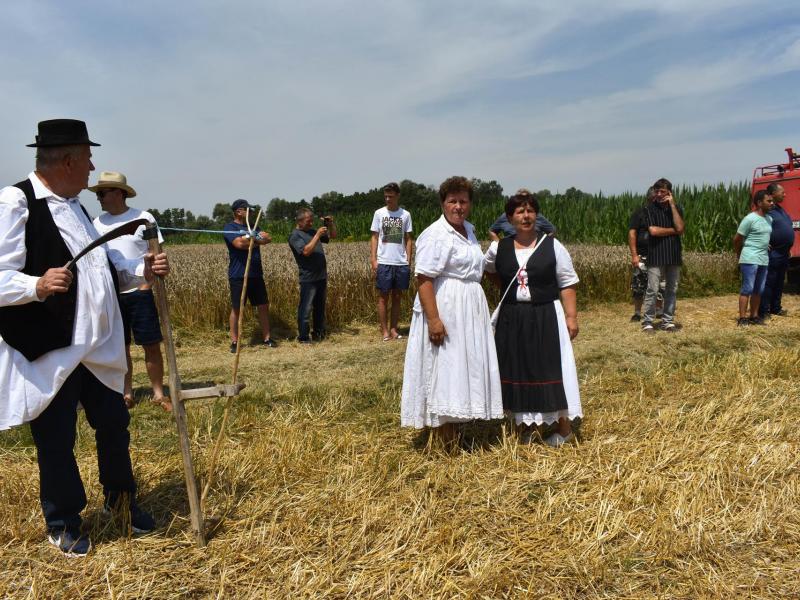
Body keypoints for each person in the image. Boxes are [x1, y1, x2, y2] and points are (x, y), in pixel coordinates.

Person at [0, 119, 170, 556]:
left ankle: (123, 504)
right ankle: (64, 522)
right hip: (51, 346)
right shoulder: (16, 201)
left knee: (114, 425)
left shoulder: (76, 207)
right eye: (88, 157)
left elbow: (99, 271)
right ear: (69, 160)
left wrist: (142, 273)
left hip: (97, 347)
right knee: (56, 437)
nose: (93, 167)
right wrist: (34, 286)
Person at [400, 176, 503, 446]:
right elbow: (423, 279)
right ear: (443, 203)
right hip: (446, 306)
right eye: (452, 201)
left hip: (469, 307)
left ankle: (456, 429)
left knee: (460, 366)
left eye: (463, 201)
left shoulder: (468, 231)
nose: (458, 206)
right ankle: (442, 436)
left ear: (470, 204)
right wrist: (434, 319)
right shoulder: (435, 234)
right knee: (444, 367)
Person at [485, 193, 582, 447]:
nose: (525, 216)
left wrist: (571, 317)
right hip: (513, 317)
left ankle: (564, 428)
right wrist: (510, 286)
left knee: (550, 368)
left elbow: (568, 281)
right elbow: (489, 270)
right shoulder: (499, 248)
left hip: (545, 314)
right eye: (519, 212)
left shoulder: (552, 245)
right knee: (519, 368)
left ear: (536, 216)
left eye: (530, 211)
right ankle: (528, 427)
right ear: (509, 218)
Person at [90, 171, 169, 411]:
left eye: (103, 193)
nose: (99, 198)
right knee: (119, 347)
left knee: (151, 344)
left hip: (140, 291)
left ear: (119, 193)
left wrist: (148, 284)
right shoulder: (97, 223)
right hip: (112, 295)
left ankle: (158, 392)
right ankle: (127, 393)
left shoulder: (143, 218)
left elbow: (157, 252)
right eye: (99, 194)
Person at [223, 199, 277, 353]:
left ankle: (267, 338)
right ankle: (234, 341)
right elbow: (238, 244)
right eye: (248, 210)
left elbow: (268, 238)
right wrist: (255, 239)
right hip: (238, 274)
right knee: (237, 308)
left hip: (255, 273)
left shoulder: (253, 226)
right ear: (239, 211)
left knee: (263, 305)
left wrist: (253, 238)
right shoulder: (230, 227)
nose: (251, 212)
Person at [370, 182, 413, 341]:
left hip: (401, 263)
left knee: (397, 297)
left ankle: (394, 329)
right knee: (383, 297)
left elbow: (408, 239)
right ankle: (385, 331)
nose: (388, 199)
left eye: (391, 196)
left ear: (397, 196)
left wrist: (409, 261)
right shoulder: (379, 214)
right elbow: (374, 237)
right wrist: (374, 259)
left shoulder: (405, 215)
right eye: (386, 196)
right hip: (384, 262)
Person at [641, 178, 684, 334]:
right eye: (656, 191)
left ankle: (668, 321)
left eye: (662, 192)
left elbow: (680, 226)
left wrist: (672, 205)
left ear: (669, 193)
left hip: (673, 254)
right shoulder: (649, 209)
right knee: (652, 288)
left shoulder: (677, 208)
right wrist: (674, 231)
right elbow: (653, 231)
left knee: (672, 289)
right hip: (656, 254)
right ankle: (647, 322)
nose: (659, 194)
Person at [289, 208, 336, 342]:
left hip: (321, 275)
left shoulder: (311, 231)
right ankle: (303, 337)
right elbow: (305, 252)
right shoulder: (295, 236)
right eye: (308, 221)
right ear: (300, 221)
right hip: (308, 278)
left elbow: (332, 236)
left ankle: (319, 333)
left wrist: (330, 224)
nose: (311, 224)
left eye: (312, 221)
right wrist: (317, 235)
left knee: (320, 307)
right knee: (306, 308)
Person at [734, 190, 773, 326]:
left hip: (763, 258)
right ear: (759, 203)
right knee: (747, 288)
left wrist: (764, 244)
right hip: (750, 258)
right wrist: (739, 254)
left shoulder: (769, 219)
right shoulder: (749, 218)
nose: (771, 203)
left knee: (759, 289)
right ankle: (742, 318)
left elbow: (762, 235)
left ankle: (754, 316)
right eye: (769, 201)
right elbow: (737, 239)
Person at [628, 188, 664, 322]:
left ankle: (659, 311)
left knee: (659, 285)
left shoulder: (662, 214)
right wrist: (634, 255)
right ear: (649, 198)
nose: (657, 200)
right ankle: (637, 313)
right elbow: (632, 233)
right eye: (655, 198)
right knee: (638, 285)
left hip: (659, 255)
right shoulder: (640, 213)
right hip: (642, 255)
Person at [758, 183, 793, 318]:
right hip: (773, 253)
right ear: (772, 194)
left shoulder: (780, 209)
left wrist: (788, 246)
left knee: (779, 282)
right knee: (769, 281)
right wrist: (763, 242)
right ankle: (764, 310)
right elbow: (757, 227)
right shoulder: (767, 211)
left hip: (784, 253)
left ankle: (776, 308)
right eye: (782, 192)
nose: (785, 194)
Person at [488, 188, 556, 241]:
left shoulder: (537, 216)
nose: (526, 215)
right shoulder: (505, 216)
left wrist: (544, 244)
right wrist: (499, 244)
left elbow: (552, 230)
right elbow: (492, 231)